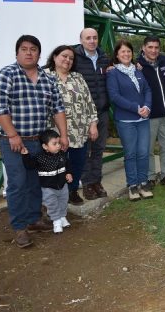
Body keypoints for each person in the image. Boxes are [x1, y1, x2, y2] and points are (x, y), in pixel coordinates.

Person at [0, 34, 68, 248]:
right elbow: (0, 110)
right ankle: (20, 227)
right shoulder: (5, 75)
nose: (28, 52)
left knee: (36, 181)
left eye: (33, 49)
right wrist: (13, 135)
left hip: (40, 141)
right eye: (24, 48)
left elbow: (58, 109)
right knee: (17, 184)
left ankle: (34, 219)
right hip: (14, 141)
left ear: (39, 54)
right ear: (17, 52)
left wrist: (63, 135)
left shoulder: (48, 79)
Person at [44, 46, 98, 205]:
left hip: (79, 132)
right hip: (54, 133)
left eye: (71, 58)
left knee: (77, 163)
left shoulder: (78, 77)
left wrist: (93, 124)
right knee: (55, 166)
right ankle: (54, 196)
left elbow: (89, 102)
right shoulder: (45, 76)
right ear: (54, 57)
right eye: (64, 56)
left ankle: (72, 191)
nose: (67, 60)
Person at [107, 39, 153, 201]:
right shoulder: (113, 73)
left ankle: (143, 182)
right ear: (117, 55)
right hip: (126, 121)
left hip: (143, 119)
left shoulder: (138, 70)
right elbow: (114, 96)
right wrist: (136, 108)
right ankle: (132, 186)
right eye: (122, 52)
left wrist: (147, 106)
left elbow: (147, 89)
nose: (126, 54)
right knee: (131, 154)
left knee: (143, 153)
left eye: (128, 51)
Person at [73, 28, 110, 200]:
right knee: (85, 150)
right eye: (88, 38)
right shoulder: (74, 58)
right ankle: (87, 184)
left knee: (98, 149)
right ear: (81, 40)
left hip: (102, 112)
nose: (92, 41)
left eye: (95, 38)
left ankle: (97, 181)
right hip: (83, 114)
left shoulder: (104, 58)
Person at [137, 36, 165, 188]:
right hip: (149, 115)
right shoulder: (137, 65)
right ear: (143, 47)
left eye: (156, 47)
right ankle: (149, 177)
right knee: (148, 148)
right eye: (150, 47)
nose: (153, 50)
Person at [21, 130, 73, 234]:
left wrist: (69, 173)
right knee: (52, 204)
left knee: (63, 202)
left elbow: (67, 164)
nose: (58, 146)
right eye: (54, 144)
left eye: (58, 143)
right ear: (45, 146)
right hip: (48, 188)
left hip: (63, 186)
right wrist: (25, 155)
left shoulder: (62, 154)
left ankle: (62, 217)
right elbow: (29, 166)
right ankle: (56, 221)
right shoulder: (40, 158)